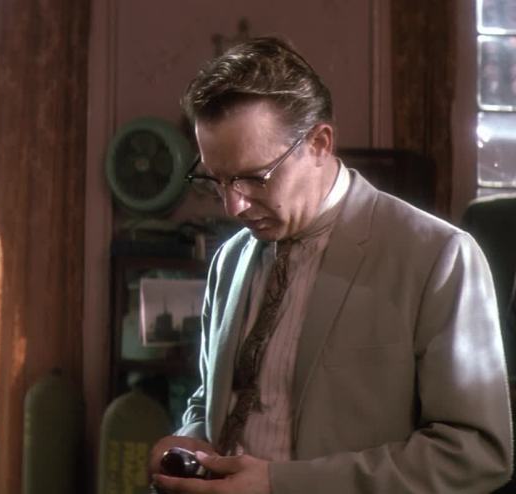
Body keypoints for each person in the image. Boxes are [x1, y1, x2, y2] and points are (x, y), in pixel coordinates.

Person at [149, 37, 513, 493]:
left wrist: (281, 485)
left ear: (320, 143)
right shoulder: (230, 258)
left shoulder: (438, 257)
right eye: (216, 180)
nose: (233, 206)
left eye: (255, 178)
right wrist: (189, 439)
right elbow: (214, 398)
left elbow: (475, 453)